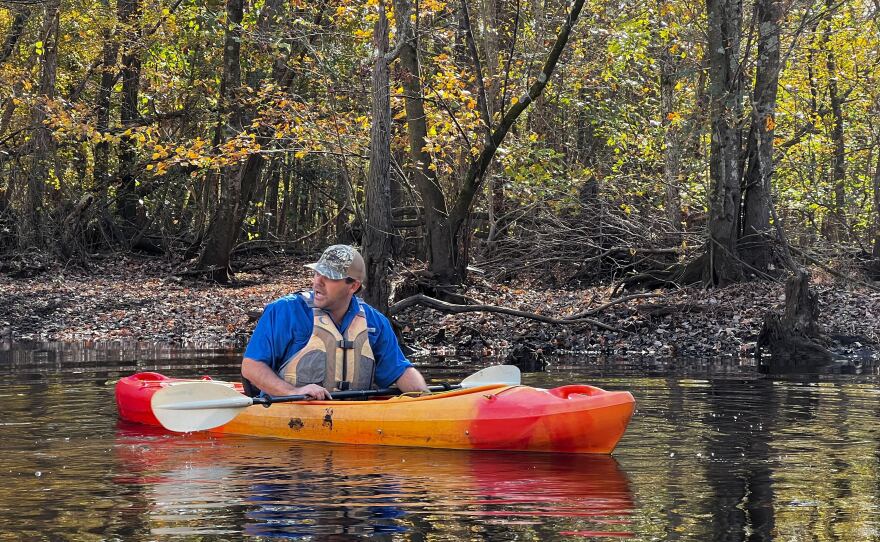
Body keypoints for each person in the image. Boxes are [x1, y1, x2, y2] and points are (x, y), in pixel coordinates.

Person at [241, 244, 428, 400]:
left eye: (329, 277)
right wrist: (293, 392)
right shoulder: (284, 311)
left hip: (352, 417)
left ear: (353, 286)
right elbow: (251, 367)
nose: (318, 282)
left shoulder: (375, 323)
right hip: (287, 414)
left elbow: (401, 371)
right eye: (317, 273)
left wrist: (426, 400)